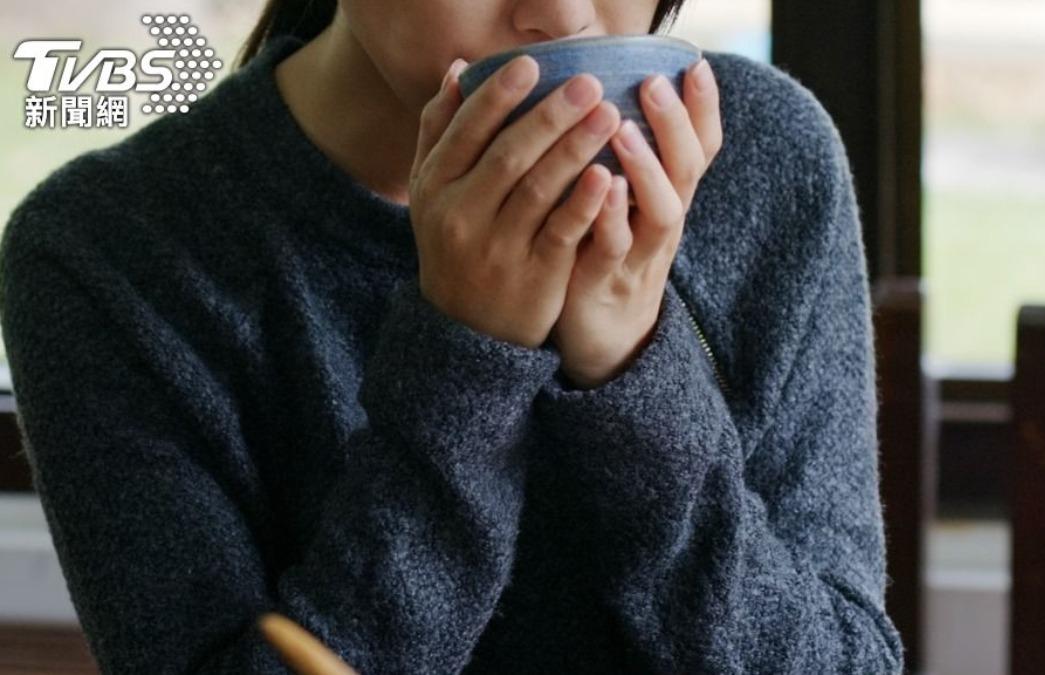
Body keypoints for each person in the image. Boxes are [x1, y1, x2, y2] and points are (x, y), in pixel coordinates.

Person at [0, 0, 905, 672]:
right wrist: (467, 354)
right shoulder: (106, 254)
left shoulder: (761, 157)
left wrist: (633, 367)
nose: (563, 16)